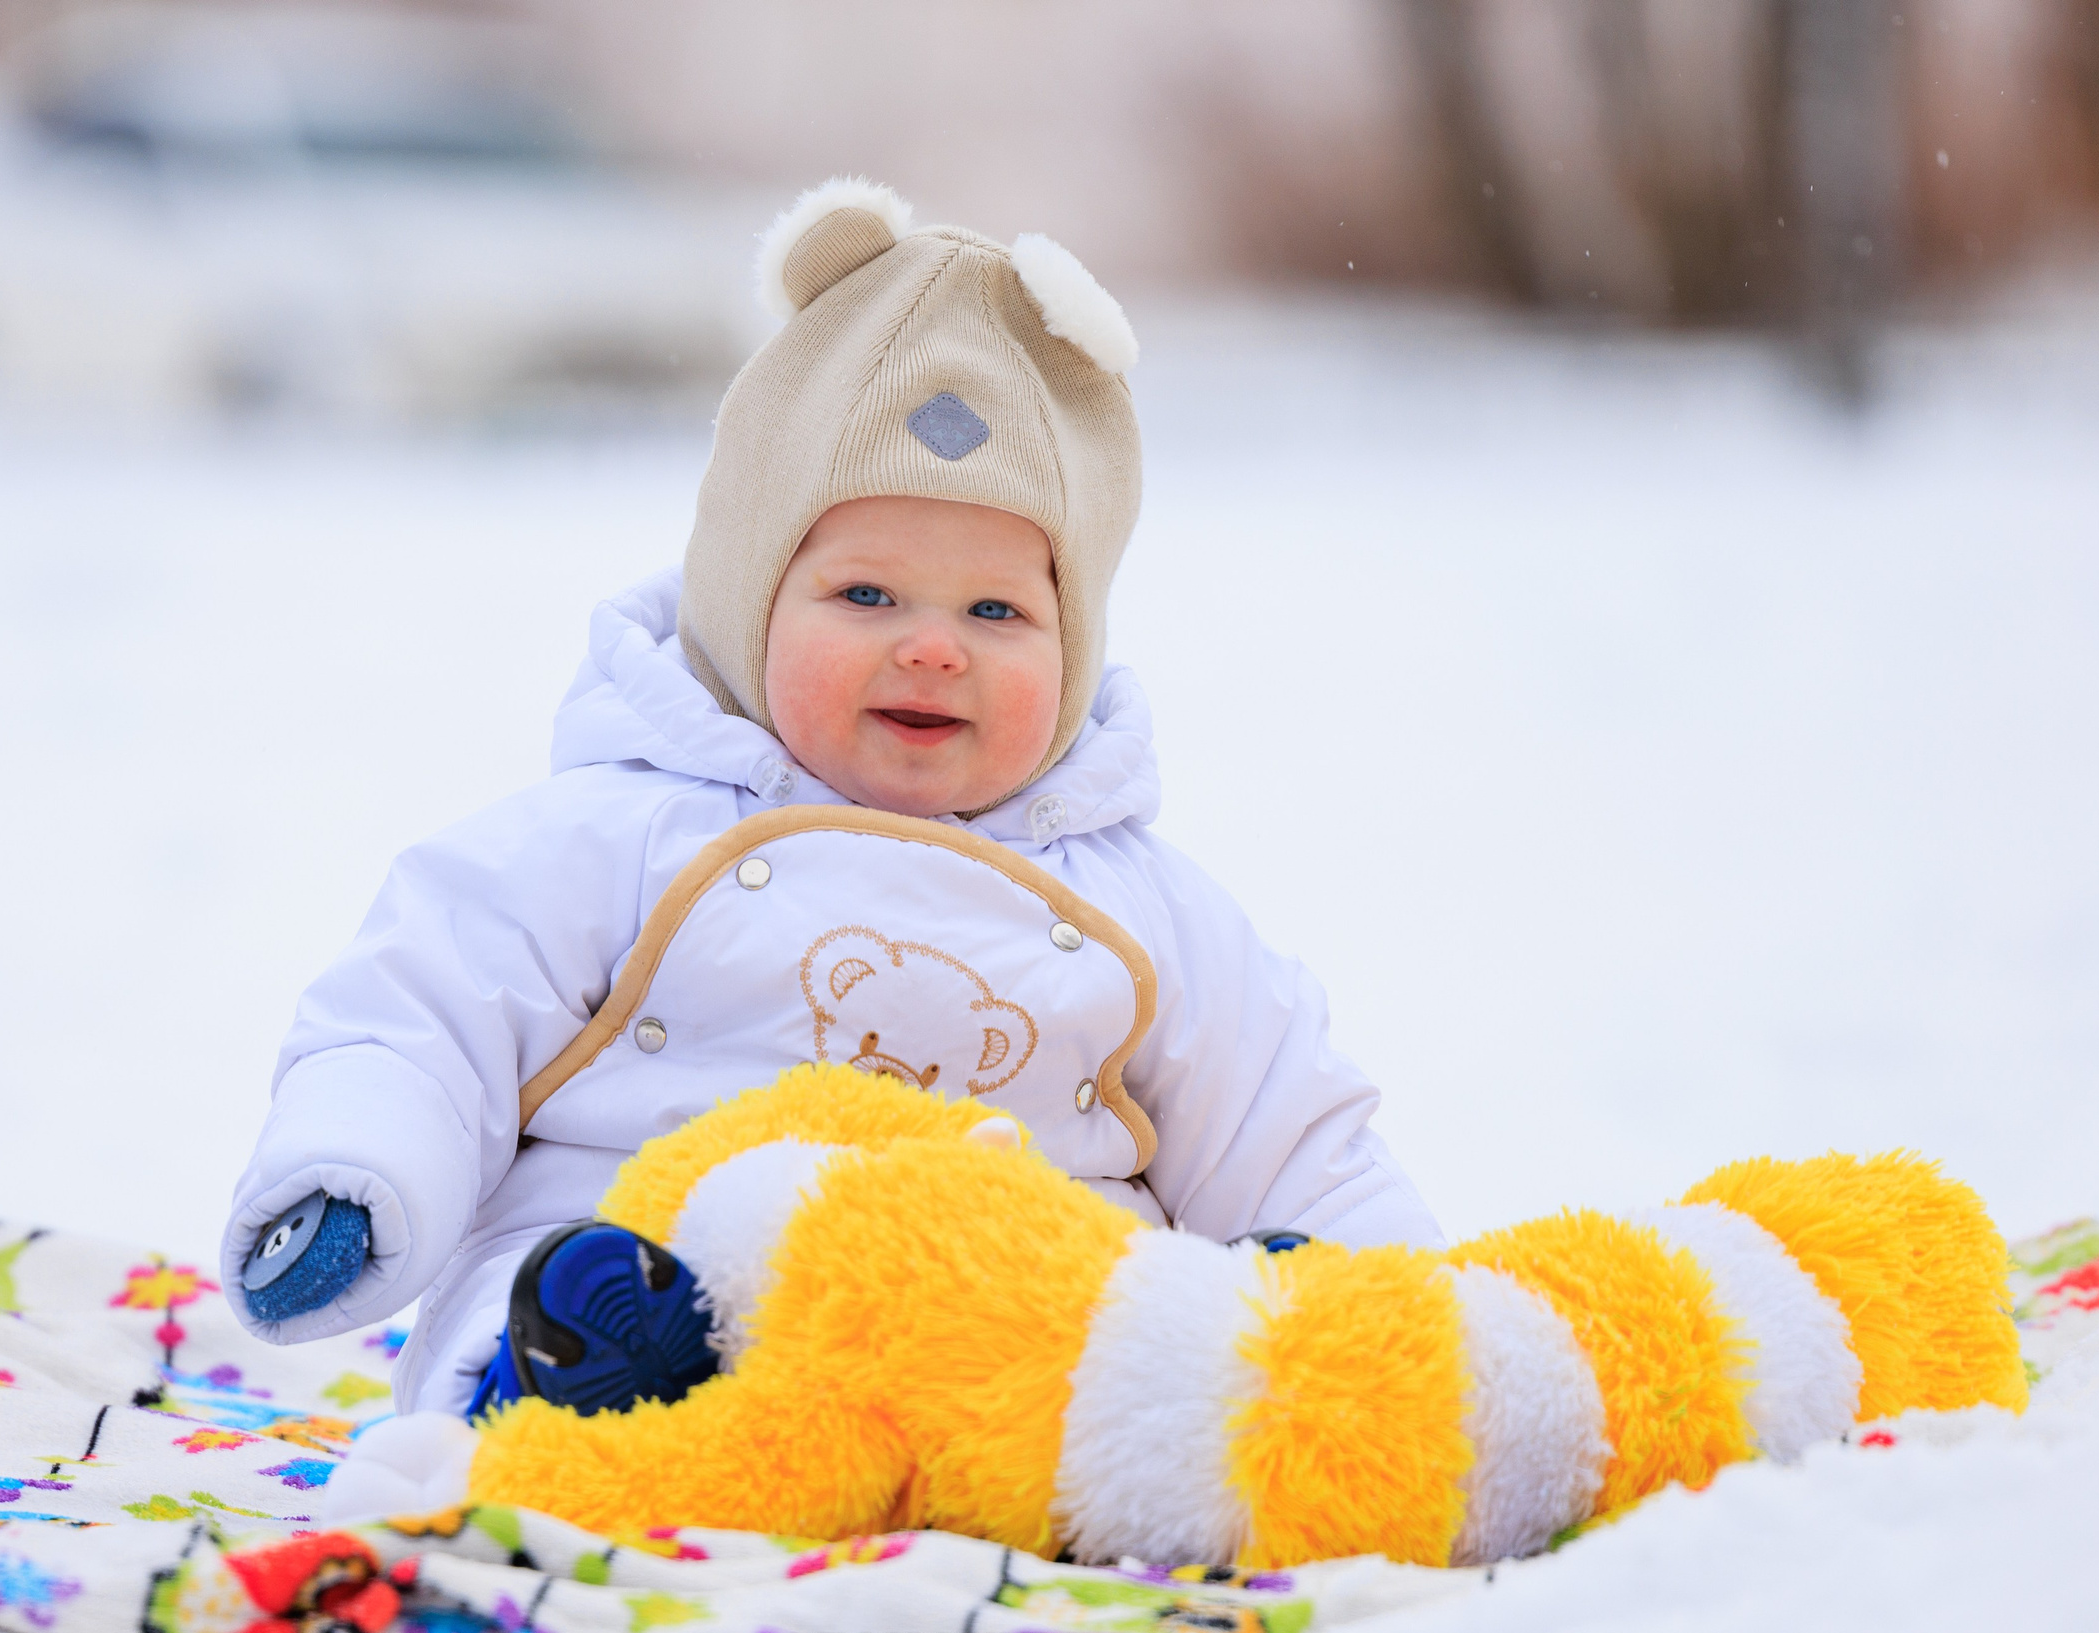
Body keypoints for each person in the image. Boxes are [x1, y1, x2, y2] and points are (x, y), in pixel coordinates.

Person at [220, 179, 1443, 1446]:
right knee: (562, 1296)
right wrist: (359, 1173)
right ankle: (557, 1400)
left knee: (1125, 1341)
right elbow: (422, 1010)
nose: (931, 650)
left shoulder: (1132, 901)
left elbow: (1286, 1118)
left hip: (1000, 1326)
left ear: (1073, 647)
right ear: (749, 601)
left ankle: (1207, 1399)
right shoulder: (620, 835)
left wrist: (1399, 1299)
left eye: (996, 613)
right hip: (648, 1263)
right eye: (865, 596)